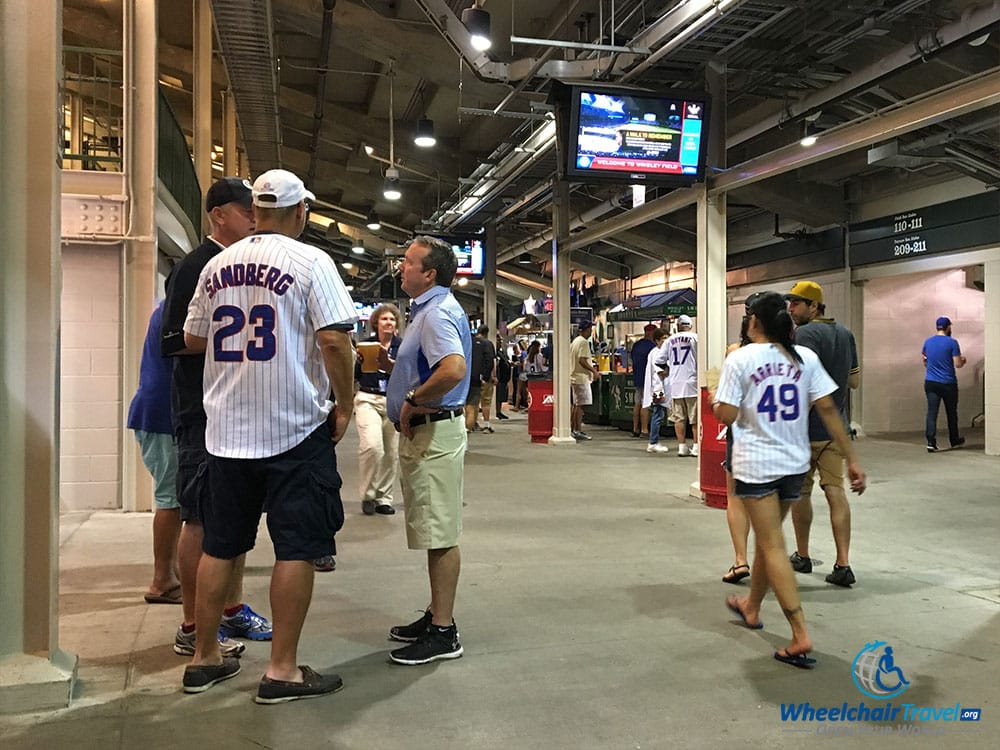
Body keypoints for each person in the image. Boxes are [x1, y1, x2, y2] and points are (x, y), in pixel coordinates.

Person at [180, 169, 358, 702]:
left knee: (220, 545)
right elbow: (333, 341)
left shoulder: (216, 264)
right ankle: (281, 670)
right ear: (300, 211)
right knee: (296, 548)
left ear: (255, 211)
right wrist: (344, 404)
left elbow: (193, 336)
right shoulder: (311, 262)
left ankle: (204, 658)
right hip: (292, 429)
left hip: (227, 431)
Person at [712, 292, 865, 669]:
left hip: (756, 466)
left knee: (773, 546)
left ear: (754, 322)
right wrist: (852, 459)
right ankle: (751, 606)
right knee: (770, 542)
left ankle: (799, 634)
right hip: (793, 465)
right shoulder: (804, 359)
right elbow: (830, 408)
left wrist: (719, 403)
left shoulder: (740, 358)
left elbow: (727, 414)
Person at [161, 176, 269, 658]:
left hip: (236, 413)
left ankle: (230, 608)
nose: (254, 218)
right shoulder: (196, 268)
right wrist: (233, 337)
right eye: (247, 210)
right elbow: (173, 340)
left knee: (235, 515)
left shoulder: (240, 268)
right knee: (200, 517)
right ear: (220, 214)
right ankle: (191, 622)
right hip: (201, 411)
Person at [385, 236, 471, 665]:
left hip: (434, 433)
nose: (401, 268)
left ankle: (444, 631)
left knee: (440, 532)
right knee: (434, 528)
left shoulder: (436, 314)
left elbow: (453, 368)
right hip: (429, 433)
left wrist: (414, 398)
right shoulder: (429, 310)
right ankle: (437, 614)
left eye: (408, 262)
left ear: (429, 273)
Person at [784, 281, 862, 587]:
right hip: (835, 430)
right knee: (836, 491)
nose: (791, 309)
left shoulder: (802, 335)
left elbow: (794, 382)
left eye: (797, 303)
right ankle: (843, 562)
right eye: (789, 303)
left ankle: (802, 556)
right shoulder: (846, 334)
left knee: (801, 493)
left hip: (803, 430)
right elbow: (854, 382)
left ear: (814, 306)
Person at [127, 300, 182, 605]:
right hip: (163, 416)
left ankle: (170, 574)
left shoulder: (165, 308)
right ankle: (161, 580)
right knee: (170, 500)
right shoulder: (175, 312)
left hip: (158, 413)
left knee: (172, 499)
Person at [354, 303, 402, 518]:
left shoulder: (403, 346)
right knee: (373, 447)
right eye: (384, 319)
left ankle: (384, 497)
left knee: (391, 453)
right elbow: (355, 374)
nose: (388, 322)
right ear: (376, 322)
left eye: (392, 319)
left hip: (392, 400)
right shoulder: (365, 345)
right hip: (367, 397)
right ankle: (368, 494)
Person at [922, 316, 967, 453]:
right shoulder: (952, 343)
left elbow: (924, 361)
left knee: (932, 412)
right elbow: (958, 364)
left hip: (931, 382)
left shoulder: (928, 342)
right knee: (951, 412)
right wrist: (963, 360)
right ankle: (954, 440)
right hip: (948, 383)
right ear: (948, 327)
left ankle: (931, 442)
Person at [663, 315, 699, 456]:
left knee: (679, 418)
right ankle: (696, 446)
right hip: (693, 383)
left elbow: (660, 360)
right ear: (690, 326)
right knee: (695, 418)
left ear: (678, 326)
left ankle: (682, 446)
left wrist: (667, 370)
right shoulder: (696, 338)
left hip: (676, 384)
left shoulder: (669, 340)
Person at [641, 327, 670, 454]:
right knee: (658, 414)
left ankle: (654, 441)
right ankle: (653, 442)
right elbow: (662, 372)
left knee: (659, 414)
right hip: (658, 389)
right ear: (657, 340)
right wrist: (670, 370)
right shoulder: (657, 353)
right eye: (663, 339)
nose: (666, 341)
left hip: (659, 388)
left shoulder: (660, 352)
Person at [569, 321, 599, 441]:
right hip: (581, 377)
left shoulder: (575, 341)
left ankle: (573, 429)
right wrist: (594, 371)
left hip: (575, 376)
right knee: (581, 405)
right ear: (586, 329)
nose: (591, 331)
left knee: (577, 404)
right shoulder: (584, 342)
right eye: (590, 329)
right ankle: (577, 430)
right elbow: (582, 360)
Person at [630, 324, 658, 438]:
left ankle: (635, 428)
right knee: (645, 404)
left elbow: (632, 360)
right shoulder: (652, 346)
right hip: (648, 379)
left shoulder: (636, 345)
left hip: (637, 378)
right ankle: (644, 430)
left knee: (637, 404)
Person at [476, 326, 497, 433]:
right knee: (486, 402)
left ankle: (471, 424)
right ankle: (486, 425)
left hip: (472, 378)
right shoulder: (488, 344)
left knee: (472, 402)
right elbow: (492, 361)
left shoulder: (471, 342)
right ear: (486, 333)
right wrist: (493, 376)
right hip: (485, 378)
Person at [495, 334, 511, 420]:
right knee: (497, 396)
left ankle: (499, 411)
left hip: (504, 378)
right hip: (499, 377)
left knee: (501, 396)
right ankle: (496, 412)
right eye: (498, 341)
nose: (500, 342)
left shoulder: (501, 352)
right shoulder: (494, 352)